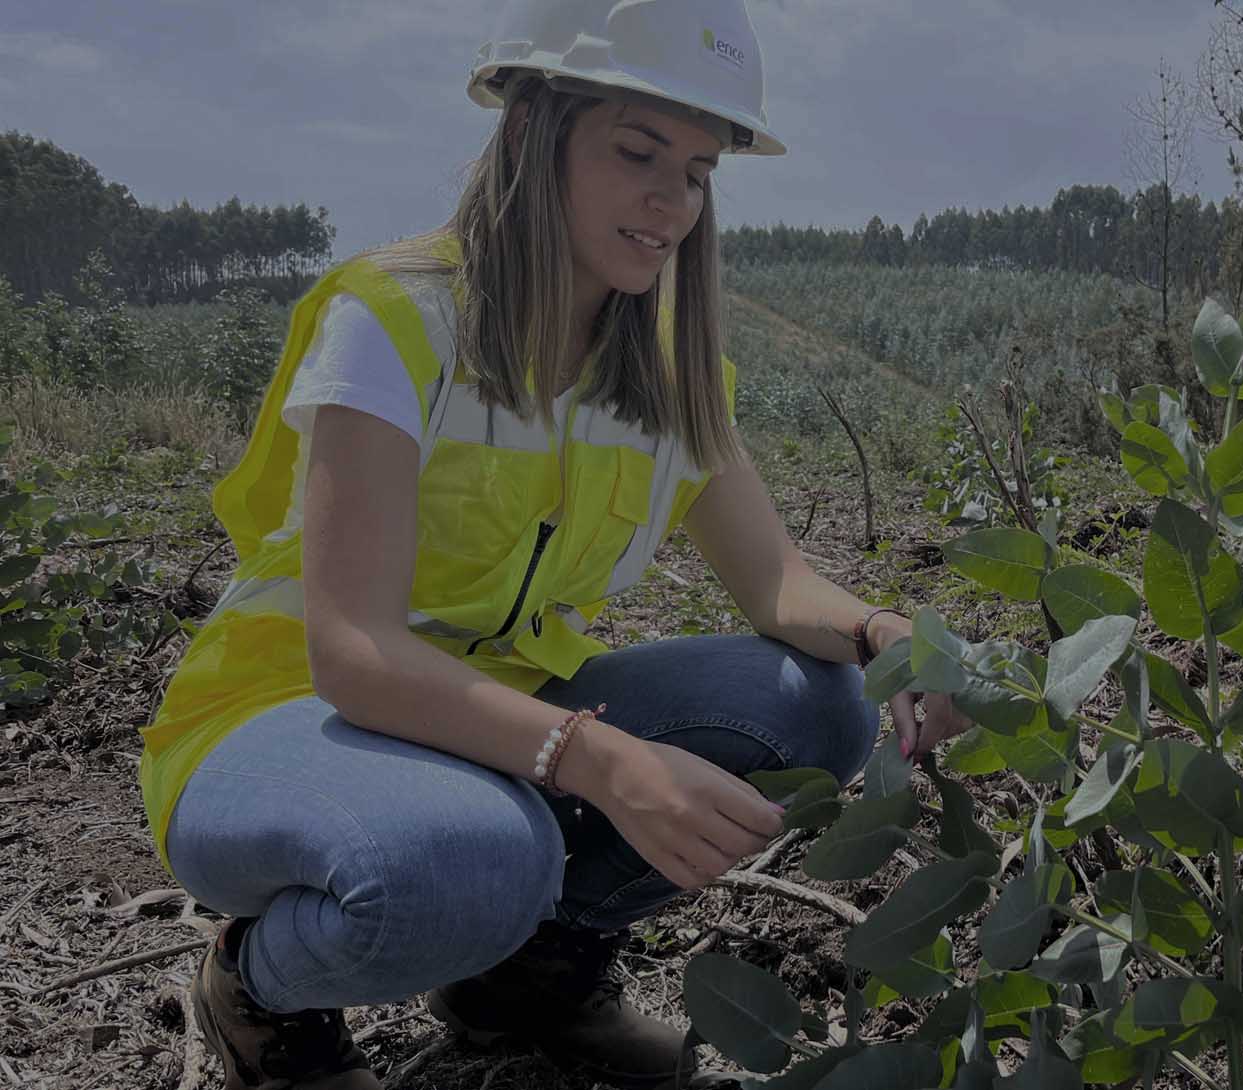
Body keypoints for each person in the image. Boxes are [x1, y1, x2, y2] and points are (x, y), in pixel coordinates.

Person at [137, 3, 970, 1087]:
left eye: (699, 170)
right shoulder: (396, 321)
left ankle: (521, 982)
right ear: (533, 130)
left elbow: (774, 582)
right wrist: (597, 757)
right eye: (637, 152)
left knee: (816, 699)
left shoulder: (665, 367)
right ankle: (258, 989)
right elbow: (351, 650)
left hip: (492, 724)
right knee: (481, 857)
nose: (671, 200)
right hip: (287, 721)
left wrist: (888, 632)